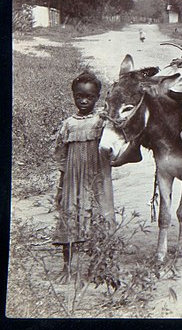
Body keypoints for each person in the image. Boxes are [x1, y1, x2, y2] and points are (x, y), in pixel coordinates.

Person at [51, 71, 115, 282]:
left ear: (97, 97)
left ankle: (100, 267)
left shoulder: (101, 121)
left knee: (97, 216)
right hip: (72, 180)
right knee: (69, 215)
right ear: (73, 96)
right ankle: (67, 267)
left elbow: (115, 142)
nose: (84, 100)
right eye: (79, 96)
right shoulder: (68, 124)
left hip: (95, 178)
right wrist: (61, 187)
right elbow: (61, 157)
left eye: (89, 96)